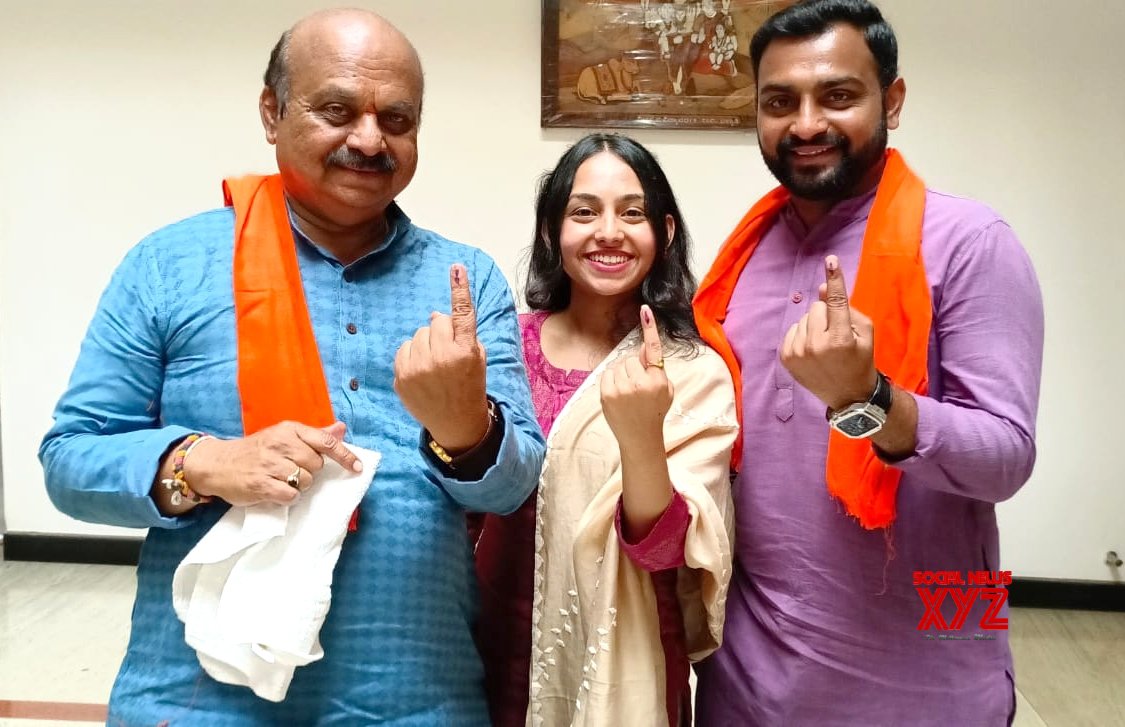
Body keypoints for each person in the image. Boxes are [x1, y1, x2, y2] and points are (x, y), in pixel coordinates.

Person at [39, 9, 544, 725]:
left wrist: (466, 426)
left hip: (412, 692)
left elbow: (514, 486)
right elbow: (70, 458)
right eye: (337, 110)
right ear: (272, 113)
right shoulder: (170, 265)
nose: (369, 139)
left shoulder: (464, 281)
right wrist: (203, 462)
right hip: (198, 694)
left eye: (396, 119)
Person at [692, 1, 1044, 725]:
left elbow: (1006, 459)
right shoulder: (741, 259)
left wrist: (870, 398)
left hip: (929, 683)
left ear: (892, 100)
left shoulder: (970, 242)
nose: (806, 123)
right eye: (779, 101)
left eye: (838, 96)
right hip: (749, 687)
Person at [472, 133, 738, 727]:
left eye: (633, 212)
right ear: (551, 232)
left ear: (664, 234)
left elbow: (670, 552)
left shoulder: (694, 371)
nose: (609, 232)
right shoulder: (504, 345)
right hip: (488, 643)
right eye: (584, 212)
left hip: (624, 659)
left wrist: (642, 436)